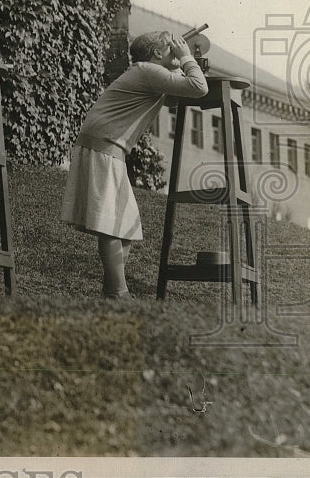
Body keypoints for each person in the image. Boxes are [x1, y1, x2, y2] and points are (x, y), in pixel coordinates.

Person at [60, 30, 209, 298]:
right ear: (156, 53)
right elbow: (199, 87)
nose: (175, 48)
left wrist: (182, 62)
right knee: (112, 223)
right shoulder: (150, 71)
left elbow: (180, 95)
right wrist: (186, 57)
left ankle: (112, 291)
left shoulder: (149, 72)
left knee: (125, 224)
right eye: (170, 45)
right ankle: (117, 293)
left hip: (105, 143)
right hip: (104, 144)